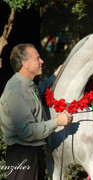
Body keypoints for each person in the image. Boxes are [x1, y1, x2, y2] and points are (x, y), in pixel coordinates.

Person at [0, 43, 72, 180]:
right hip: (23, 155)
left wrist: (55, 75)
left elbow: (38, 91)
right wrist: (56, 122)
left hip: (32, 154)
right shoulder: (17, 91)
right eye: (37, 58)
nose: (42, 61)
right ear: (25, 64)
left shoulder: (26, 85)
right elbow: (26, 131)